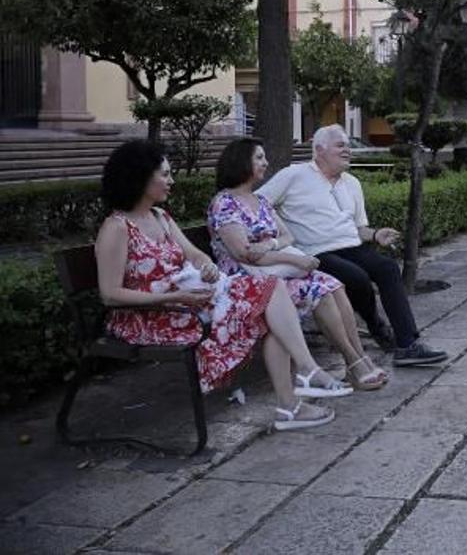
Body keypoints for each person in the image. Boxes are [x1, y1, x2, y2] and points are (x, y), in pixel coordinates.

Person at [95, 140, 349, 432]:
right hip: (151, 318)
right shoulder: (116, 228)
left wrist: (207, 267)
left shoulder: (161, 217)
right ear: (140, 178)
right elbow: (110, 294)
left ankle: (298, 387)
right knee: (268, 308)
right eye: (164, 175)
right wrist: (178, 295)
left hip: (186, 304)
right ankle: (294, 398)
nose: (171, 181)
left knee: (270, 294)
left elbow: (194, 253)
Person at [257, 125, 447, 367]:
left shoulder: (352, 183)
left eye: (347, 145)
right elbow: (259, 203)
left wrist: (376, 234)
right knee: (355, 277)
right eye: (340, 145)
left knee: (387, 268)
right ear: (319, 150)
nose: (347, 149)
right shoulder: (294, 175)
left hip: (352, 247)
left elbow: (358, 229)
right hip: (315, 252)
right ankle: (376, 326)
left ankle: (407, 345)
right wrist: (281, 232)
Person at [209, 138, 389, 391]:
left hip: (274, 268)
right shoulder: (224, 203)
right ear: (241, 162)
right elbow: (243, 254)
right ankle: (354, 364)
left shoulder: (260, 201)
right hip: (246, 278)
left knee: (332, 285)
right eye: (259, 158)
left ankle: (358, 358)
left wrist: (271, 245)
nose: (265, 162)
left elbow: (287, 236)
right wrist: (292, 258)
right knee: (319, 291)